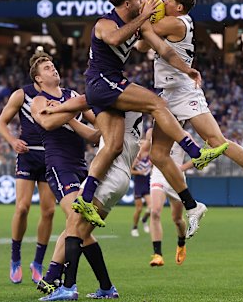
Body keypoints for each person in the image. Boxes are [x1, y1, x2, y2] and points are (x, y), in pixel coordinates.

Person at [42, 0, 228, 238]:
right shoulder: (106, 22)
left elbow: (163, 48)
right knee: (157, 103)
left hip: (109, 87)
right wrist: (144, 17)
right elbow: (117, 37)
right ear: (128, 2)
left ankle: (85, 197)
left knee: (114, 145)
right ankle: (194, 151)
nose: (142, 1)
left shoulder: (138, 22)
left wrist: (188, 69)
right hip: (102, 82)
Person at [133, 0, 243, 219]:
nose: (165, 1)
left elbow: (145, 33)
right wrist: (148, 14)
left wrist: (144, 8)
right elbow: (143, 45)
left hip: (184, 91)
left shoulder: (177, 22)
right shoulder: (171, 21)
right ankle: (192, 206)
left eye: (169, 0)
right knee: (158, 155)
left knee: (216, 141)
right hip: (167, 94)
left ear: (179, 6)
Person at [25, 52, 106, 300]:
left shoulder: (72, 97)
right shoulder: (38, 100)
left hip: (83, 167)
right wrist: (70, 112)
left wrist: (67, 113)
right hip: (59, 166)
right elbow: (46, 124)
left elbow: (97, 134)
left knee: (80, 227)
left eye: (53, 66)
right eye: (47, 69)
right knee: (76, 220)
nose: (54, 70)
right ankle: (56, 280)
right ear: (38, 79)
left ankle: (102, 286)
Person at [37, 113, 144, 300]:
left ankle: (67, 286)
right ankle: (106, 288)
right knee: (83, 232)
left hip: (108, 173)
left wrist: (63, 109)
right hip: (122, 177)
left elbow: (82, 104)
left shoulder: (114, 97)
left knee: (74, 225)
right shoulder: (134, 106)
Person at [0, 79, 56, 284]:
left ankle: (38, 263)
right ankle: (15, 259)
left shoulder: (59, 94)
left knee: (48, 211)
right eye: (47, 67)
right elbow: (1, 122)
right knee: (22, 208)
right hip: (28, 155)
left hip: (50, 155)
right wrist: (13, 141)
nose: (53, 70)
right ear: (37, 75)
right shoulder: (22, 94)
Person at [144, 128, 190, 267]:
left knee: (177, 219)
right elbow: (144, 150)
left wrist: (180, 169)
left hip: (176, 178)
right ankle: (158, 255)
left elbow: (198, 156)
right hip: (158, 174)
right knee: (155, 211)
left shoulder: (184, 135)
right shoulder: (152, 132)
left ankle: (181, 242)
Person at [130, 136, 152, 237]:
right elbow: (130, 170)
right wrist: (139, 172)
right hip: (138, 185)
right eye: (141, 143)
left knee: (152, 208)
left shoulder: (150, 156)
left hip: (147, 184)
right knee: (139, 209)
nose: (143, 145)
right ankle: (134, 227)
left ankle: (144, 220)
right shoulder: (136, 158)